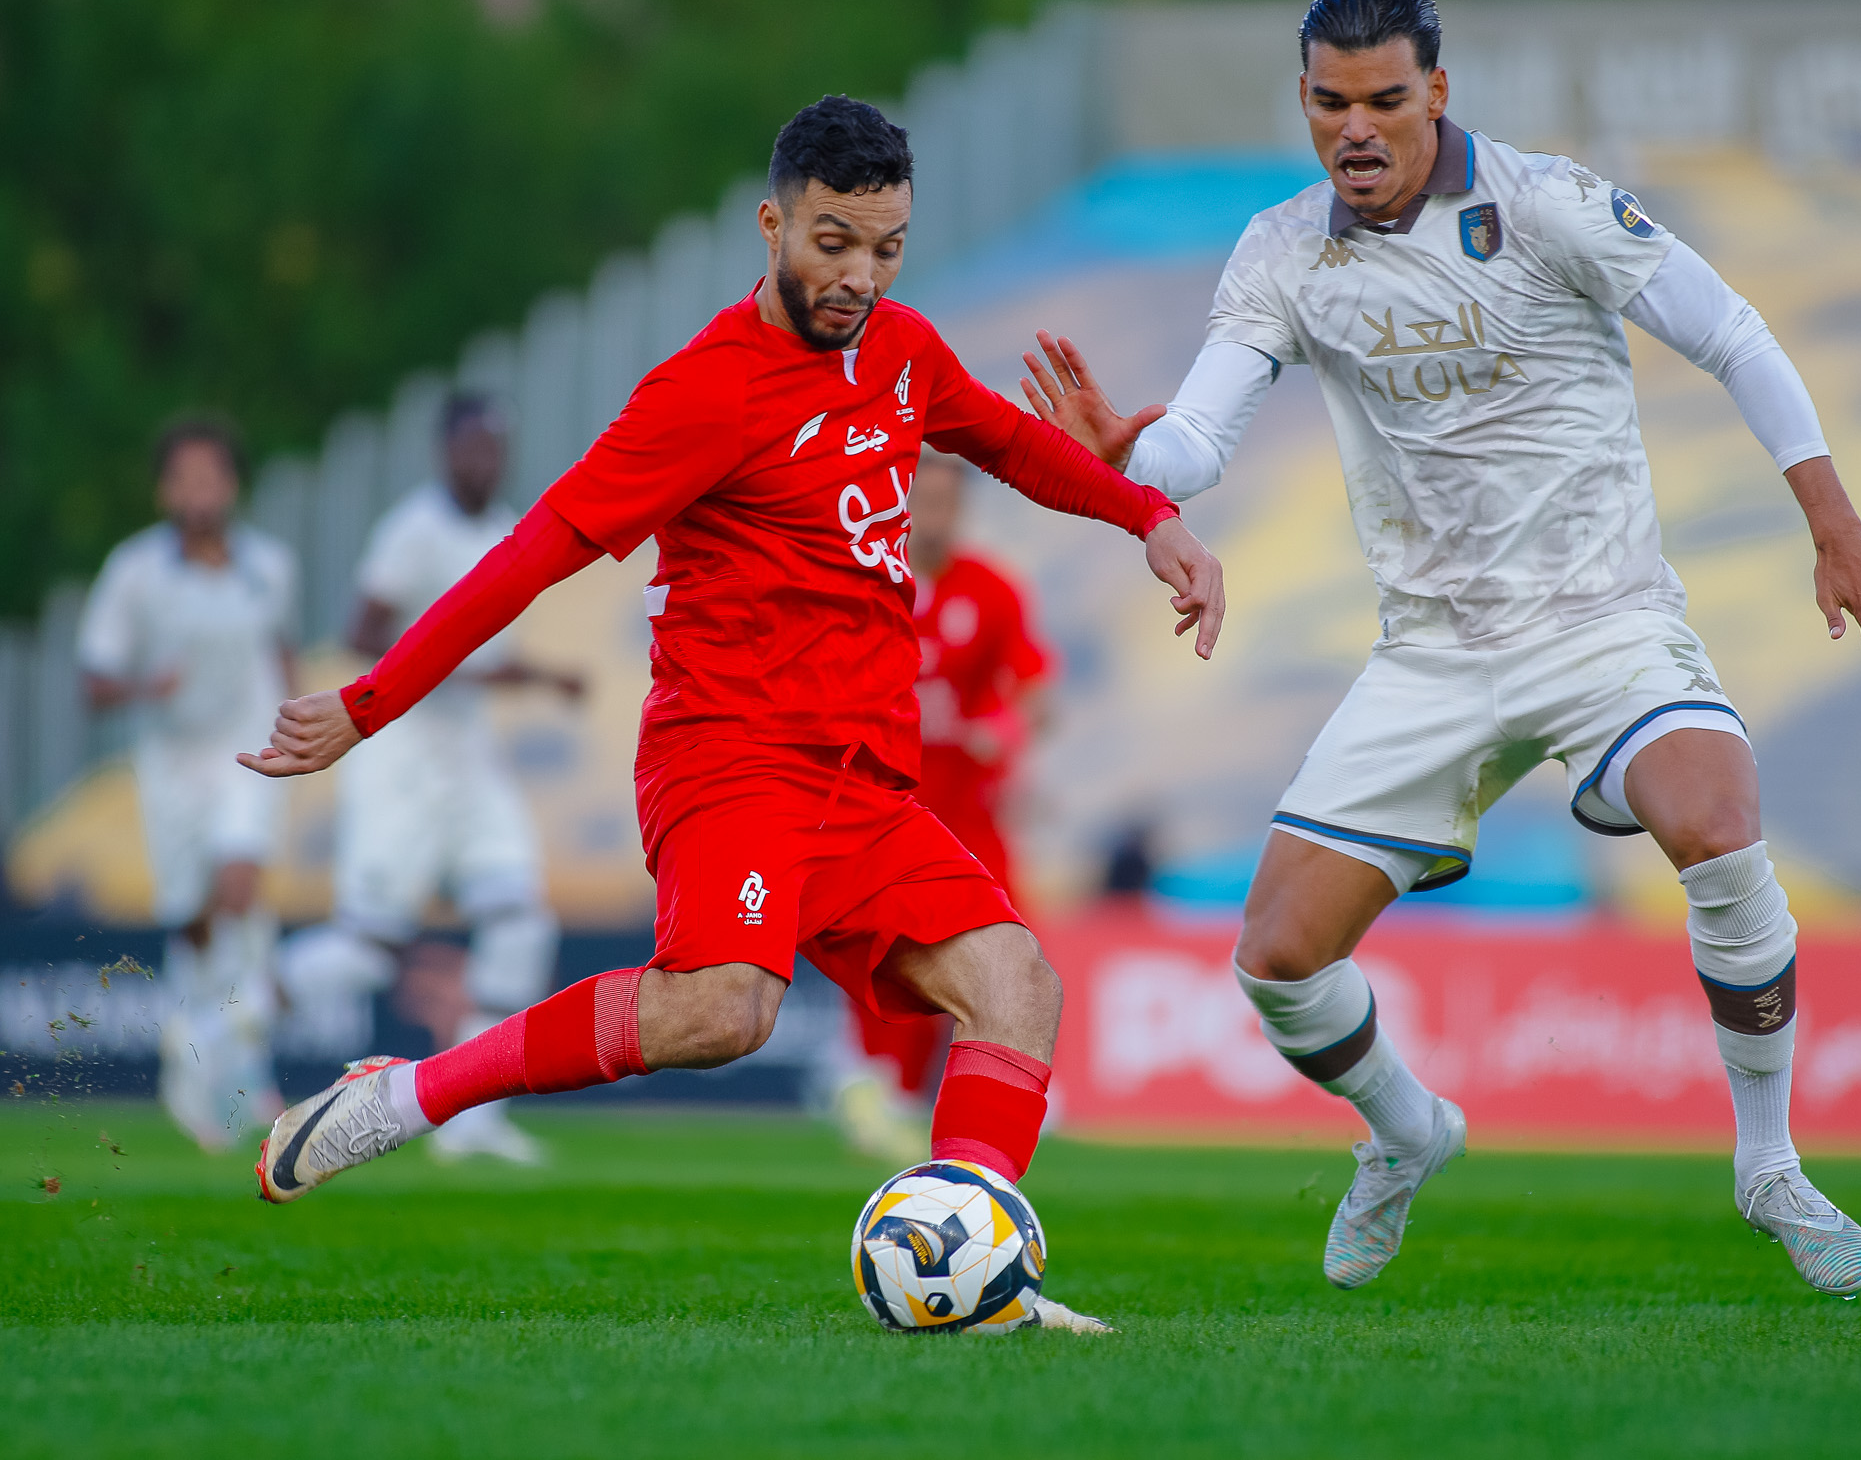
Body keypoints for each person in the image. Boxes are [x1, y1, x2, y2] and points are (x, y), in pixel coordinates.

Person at [1022, 0, 1861, 1299]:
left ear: (1436, 93)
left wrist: (1835, 525)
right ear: (1304, 103)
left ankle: (1768, 1159)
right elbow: (1197, 441)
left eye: (1387, 99)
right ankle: (1407, 1129)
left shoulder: (1551, 207)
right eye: (1333, 102)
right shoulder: (1283, 249)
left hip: (1603, 620)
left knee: (1719, 816)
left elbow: (1733, 333)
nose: (1359, 126)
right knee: (1277, 957)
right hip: (1433, 654)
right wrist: (1132, 453)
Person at [239, 96, 1224, 1331]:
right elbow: (534, 552)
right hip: (733, 754)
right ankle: (410, 1094)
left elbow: (1015, 445)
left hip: (862, 777)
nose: (858, 276)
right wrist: (372, 699)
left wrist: (1155, 520)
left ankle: (976, 1277)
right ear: (772, 224)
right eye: (831, 242)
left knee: (1018, 985)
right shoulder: (704, 392)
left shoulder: (906, 353)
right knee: (722, 1012)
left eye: (885, 246)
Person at [284, 391, 584, 1165]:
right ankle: (234, 1010)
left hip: (468, 750)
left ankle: (473, 1117)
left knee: (521, 920)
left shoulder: (500, 527)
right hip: (402, 752)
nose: (487, 459)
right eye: (474, 445)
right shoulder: (415, 529)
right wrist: (438, 661)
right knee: (368, 949)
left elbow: (480, 651)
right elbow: (361, 630)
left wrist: (546, 676)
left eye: (496, 445)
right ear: (446, 450)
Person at [77, 414, 298, 1150]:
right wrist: (147, 684)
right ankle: (226, 1069)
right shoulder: (134, 570)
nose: (200, 490)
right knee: (201, 923)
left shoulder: (269, 564)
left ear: (232, 484)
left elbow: (282, 649)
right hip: (171, 763)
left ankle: (200, 1046)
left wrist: (302, 732)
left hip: (246, 750)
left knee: (240, 888)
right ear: (165, 489)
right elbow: (94, 680)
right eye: (185, 477)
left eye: (212, 474)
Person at [831, 453, 1055, 1160]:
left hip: (969, 815)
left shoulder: (990, 590)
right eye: (920, 500)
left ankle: (1008, 1088)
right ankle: (877, 1089)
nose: (933, 515)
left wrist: (1007, 730)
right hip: (883, 809)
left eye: (945, 502)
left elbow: (1037, 689)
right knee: (890, 952)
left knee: (1008, 949)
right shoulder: (865, 583)